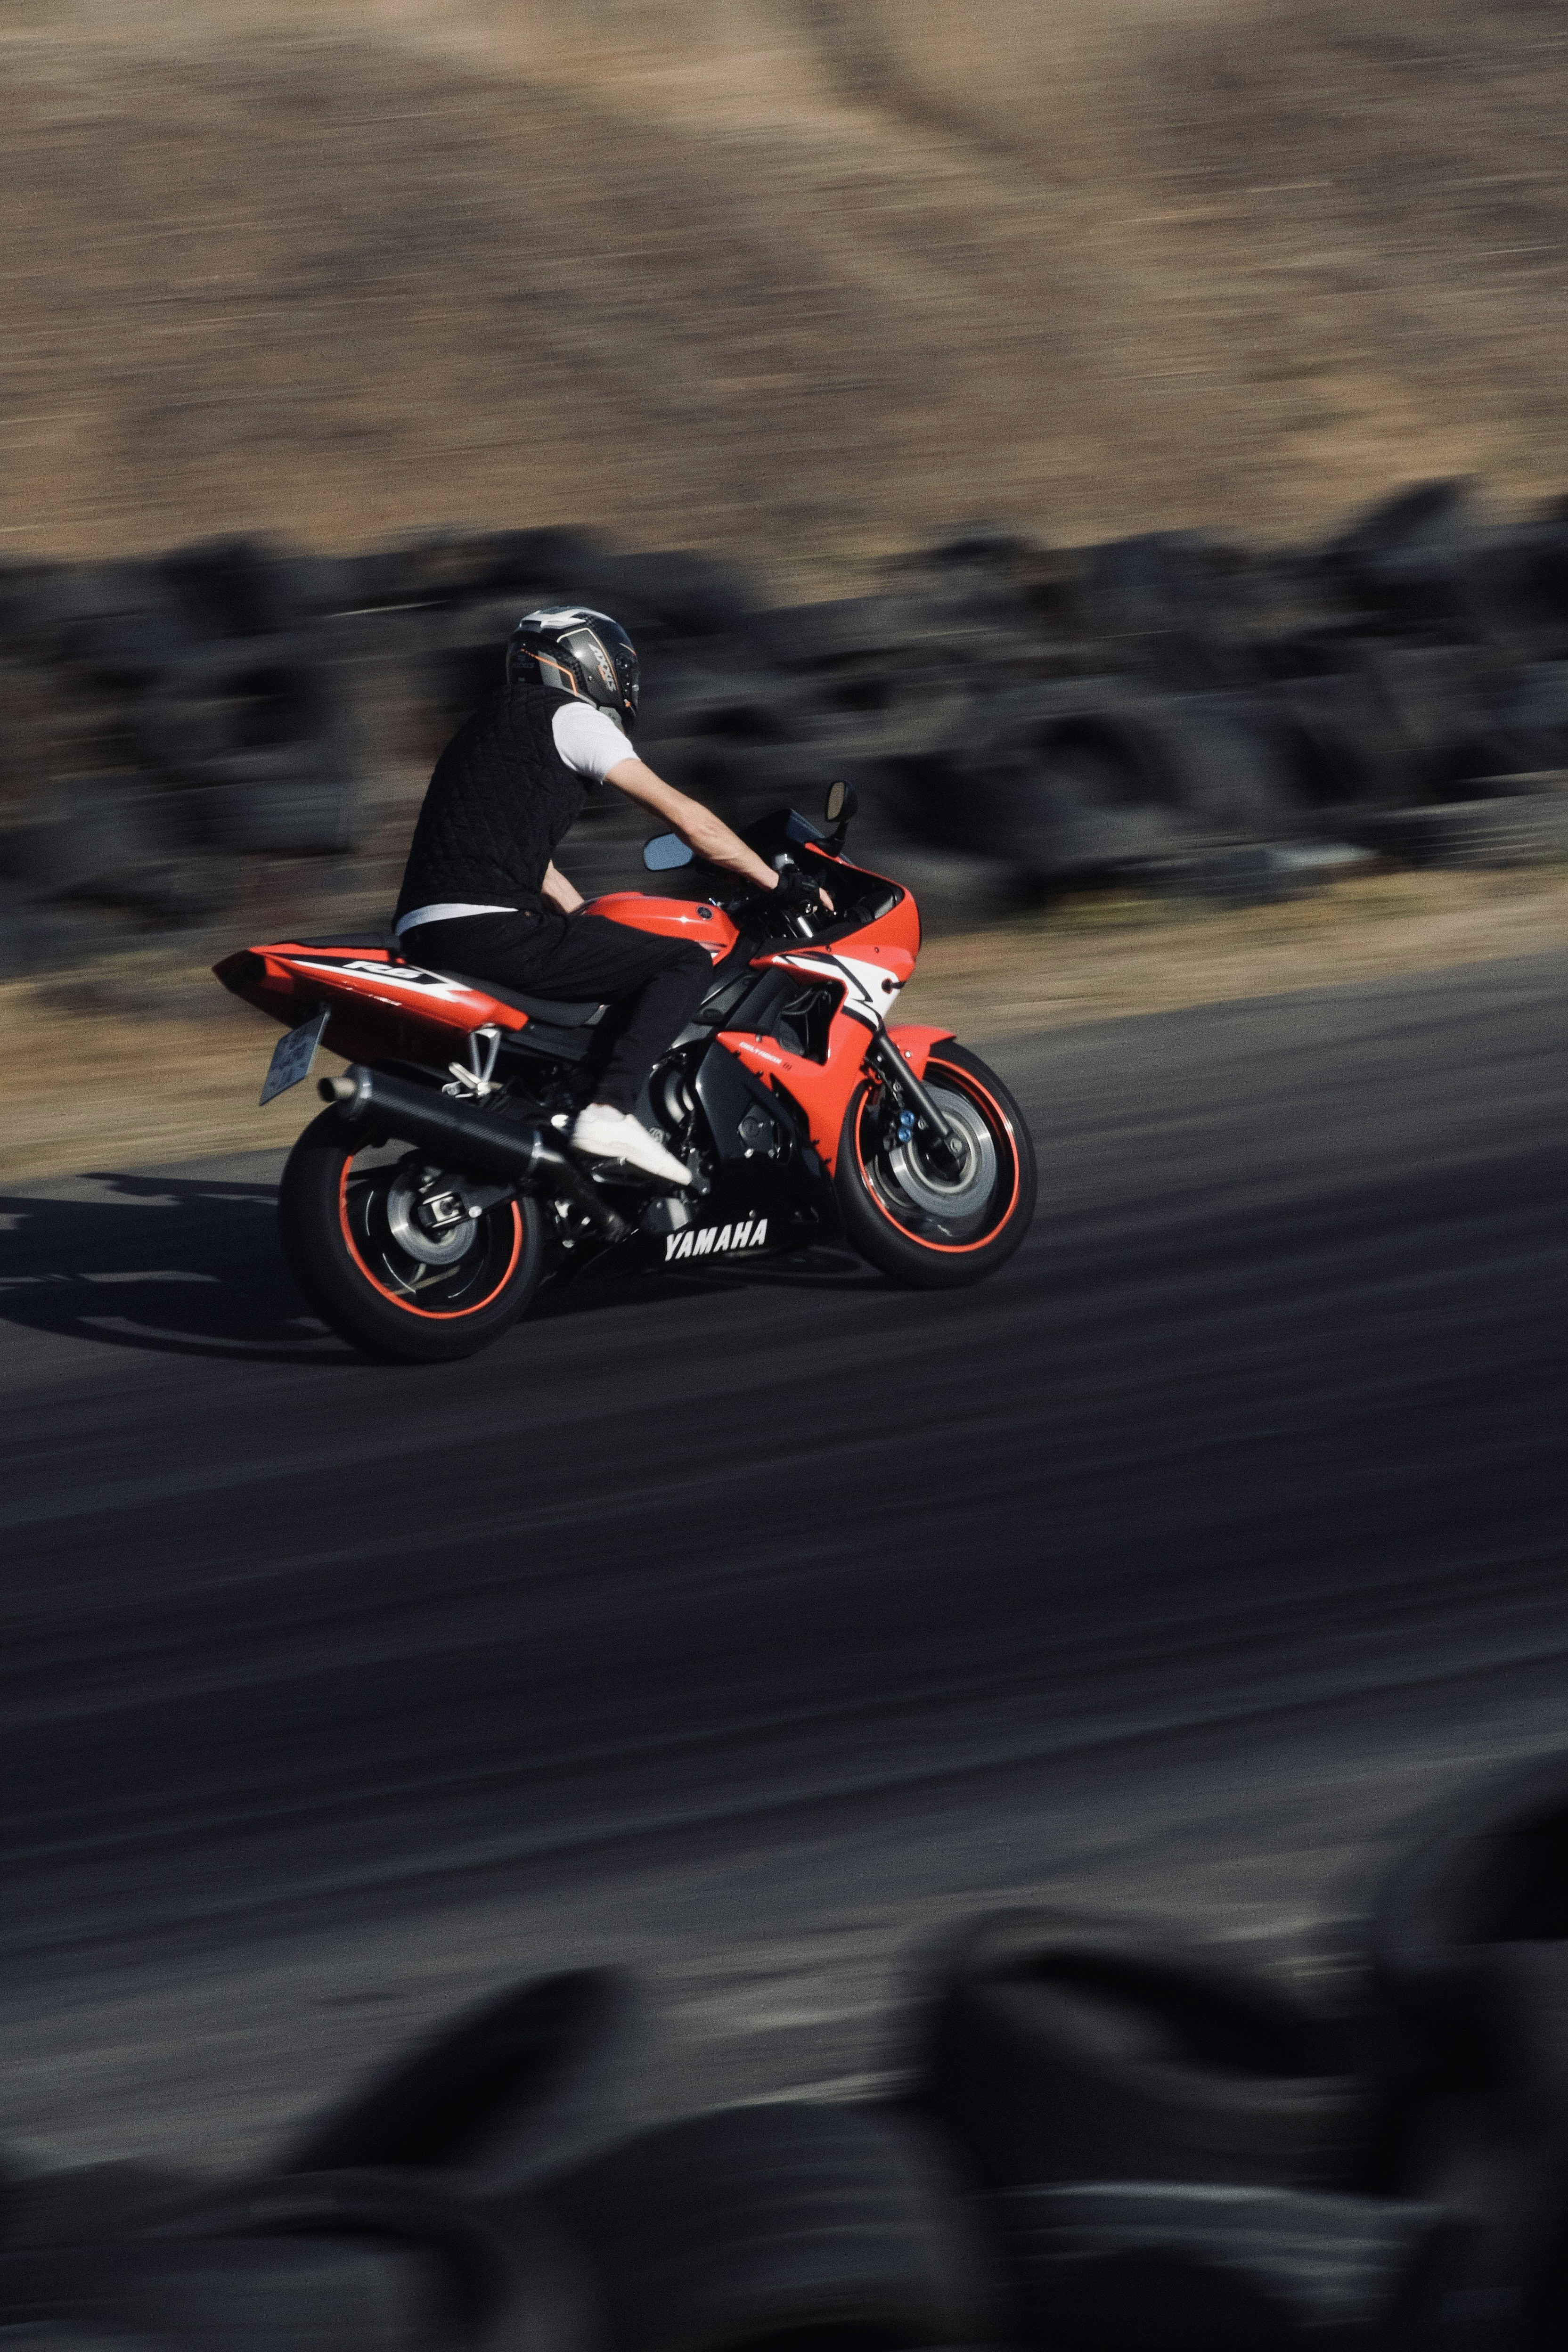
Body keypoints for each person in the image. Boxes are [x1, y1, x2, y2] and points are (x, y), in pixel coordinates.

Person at [392, 606, 829, 1187]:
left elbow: (532, 862)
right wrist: (778, 883)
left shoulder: (480, 732)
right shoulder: (571, 719)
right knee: (682, 960)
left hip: (423, 932)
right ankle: (609, 1112)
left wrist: (580, 919)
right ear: (592, 665)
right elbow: (688, 820)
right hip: (489, 928)